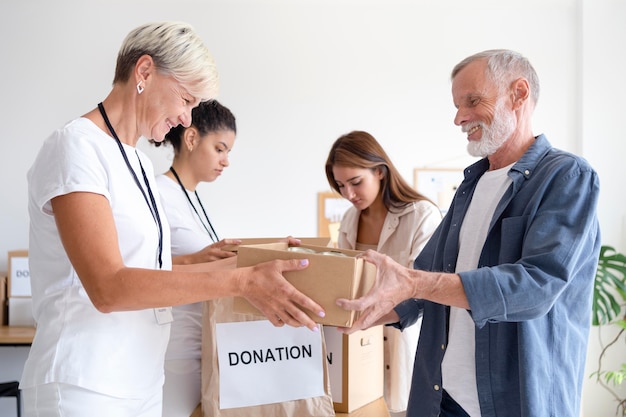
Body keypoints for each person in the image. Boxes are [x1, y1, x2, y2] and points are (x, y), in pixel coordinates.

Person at [21, 21, 324, 417]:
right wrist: (241, 280)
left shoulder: (142, 166)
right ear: (144, 72)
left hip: (143, 380)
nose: (185, 119)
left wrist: (263, 263)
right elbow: (109, 286)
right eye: (185, 99)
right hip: (85, 383)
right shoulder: (75, 147)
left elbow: (150, 270)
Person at [336, 49, 601, 417]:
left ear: (519, 93)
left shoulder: (566, 176)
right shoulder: (471, 183)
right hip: (442, 401)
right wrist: (356, 312)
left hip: (516, 402)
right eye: (458, 106)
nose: (460, 117)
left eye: (473, 101)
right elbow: (425, 279)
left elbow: (536, 286)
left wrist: (414, 283)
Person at [324, 130, 441, 417]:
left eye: (355, 182)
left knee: (401, 406)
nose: (348, 194)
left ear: (380, 172)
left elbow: (424, 291)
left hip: (404, 346)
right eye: (340, 185)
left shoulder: (422, 215)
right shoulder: (351, 219)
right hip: (358, 348)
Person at [153, 99, 240, 416]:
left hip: (200, 349)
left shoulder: (190, 199)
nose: (226, 161)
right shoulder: (158, 193)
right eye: (220, 149)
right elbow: (139, 269)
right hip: (172, 355)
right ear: (191, 139)